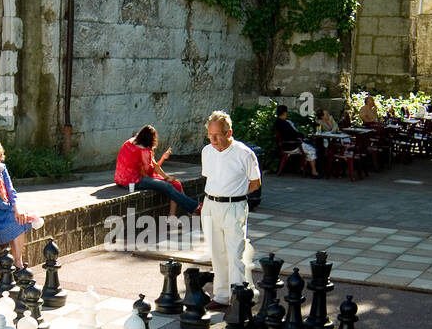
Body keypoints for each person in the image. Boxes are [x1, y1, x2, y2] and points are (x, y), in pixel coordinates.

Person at [201, 111, 262, 311]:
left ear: (230, 132)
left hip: (234, 206)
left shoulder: (244, 153)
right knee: (216, 252)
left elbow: (256, 182)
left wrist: (237, 195)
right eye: (210, 135)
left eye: (218, 135)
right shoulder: (207, 151)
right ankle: (221, 295)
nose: (214, 140)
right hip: (210, 205)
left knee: (235, 253)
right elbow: (212, 178)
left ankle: (239, 295)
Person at [0, 141, 43, 270]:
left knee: (20, 218)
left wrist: (16, 207)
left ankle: (17, 260)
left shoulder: (2, 169)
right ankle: (17, 263)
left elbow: (11, 190)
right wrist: (13, 210)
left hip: (5, 207)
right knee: (17, 219)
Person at [114, 124, 199, 216]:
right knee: (168, 186)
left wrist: (164, 174)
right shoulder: (143, 151)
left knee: (172, 185)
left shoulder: (129, 142)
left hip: (120, 180)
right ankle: (195, 207)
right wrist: (165, 176)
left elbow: (151, 166)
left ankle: (192, 209)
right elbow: (150, 170)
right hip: (133, 181)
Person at [273, 105, 320, 177]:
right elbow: (294, 134)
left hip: (284, 146)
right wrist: (303, 135)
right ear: (285, 113)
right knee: (312, 149)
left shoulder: (276, 123)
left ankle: (302, 168)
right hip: (292, 146)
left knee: (307, 147)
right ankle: (313, 171)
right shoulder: (285, 124)